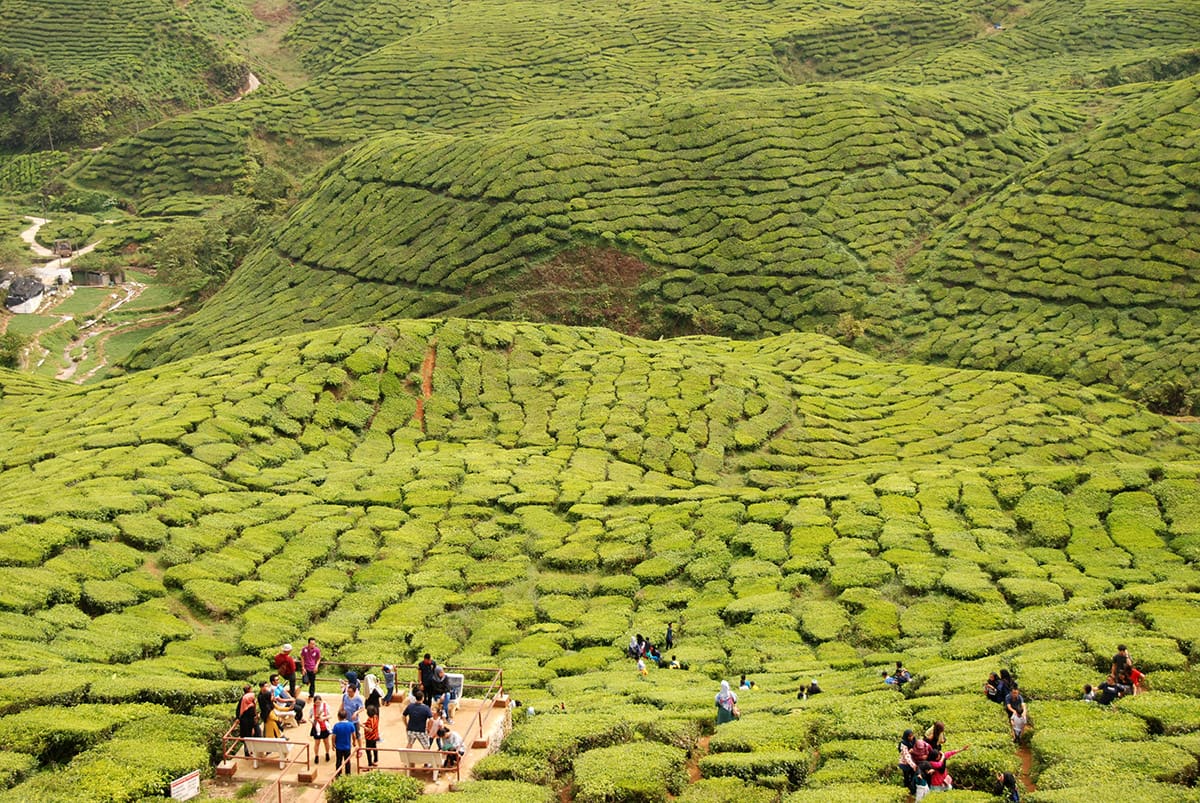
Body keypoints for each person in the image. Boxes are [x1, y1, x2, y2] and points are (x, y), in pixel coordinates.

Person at [331, 711, 355, 776]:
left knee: (338, 761)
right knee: (347, 761)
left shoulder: (336, 726)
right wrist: (354, 742)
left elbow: (333, 736)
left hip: (339, 747)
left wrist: (333, 744)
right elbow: (353, 735)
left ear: (338, 717)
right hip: (347, 747)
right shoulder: (350, 724)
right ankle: (348, 775)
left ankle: (338, 775)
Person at [237, 685, 259, 755]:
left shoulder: (243, 700)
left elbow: (238, 711)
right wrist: (253, 726)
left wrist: (238, 718)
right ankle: (251, 750)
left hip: (244, 723)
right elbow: (252, 716)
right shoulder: (250, 707)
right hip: (249, 724)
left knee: (246, 737)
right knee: (251, 736)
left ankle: (247, 751)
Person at [310, 694, 332, 763]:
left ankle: (327, 753)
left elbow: (330, 715)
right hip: (316, 726)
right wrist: (311, 721)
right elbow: (309, 717)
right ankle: (316, 755)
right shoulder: (312, 709)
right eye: (316, 703)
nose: (318, 704)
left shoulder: (325, 707)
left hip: (324, 726)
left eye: (319, 702)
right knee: (317, 742)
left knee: (326, 741)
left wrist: (324, 718)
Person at [342, 682, 365, 746]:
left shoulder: (358, 699)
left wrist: (356, 712)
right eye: (348, 691)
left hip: (354, 720)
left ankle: (360, 748)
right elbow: (342, 704)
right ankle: (350, 743)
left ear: (354, 692)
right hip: (346, 719)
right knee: (346, 733)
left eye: (350, 692)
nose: (349, 693)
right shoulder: (345, 696)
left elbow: (362, 708)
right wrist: (340, 712)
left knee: (357, 734)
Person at [898, 729, 919, 794]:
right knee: (906, 777)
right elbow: (906, 756)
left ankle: (912, 791)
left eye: (912, 736)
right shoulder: (903, 744)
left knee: (913, 776)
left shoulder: (914, 741)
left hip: (913, 762)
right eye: (909, 736)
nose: (911, 737)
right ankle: (906, 791)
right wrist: (913, 765)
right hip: (905, 763)